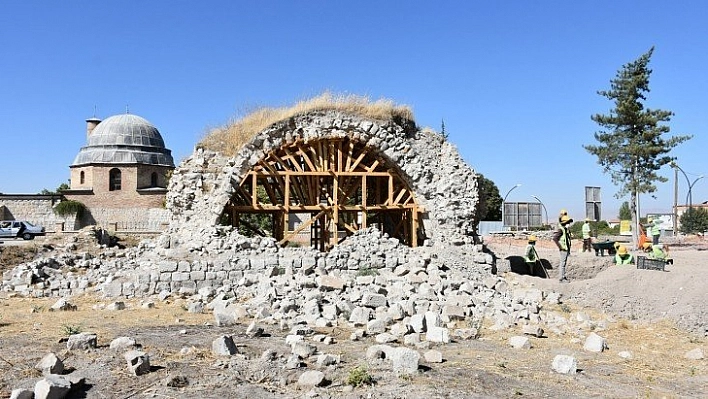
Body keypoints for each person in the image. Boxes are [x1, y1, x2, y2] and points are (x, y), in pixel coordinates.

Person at [553, 214, 573, 283]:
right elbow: (555, 238)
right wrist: (561, 247)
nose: (569, 224)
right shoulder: (561, 230)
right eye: (568, 223)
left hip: (566, 249)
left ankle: (563, 277)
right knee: (562, 264)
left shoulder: (565, 230)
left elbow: (567, 240)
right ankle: (561, 279)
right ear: (565, 223)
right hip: (563, 250)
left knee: (563, 264)